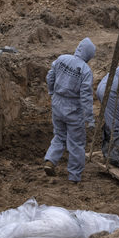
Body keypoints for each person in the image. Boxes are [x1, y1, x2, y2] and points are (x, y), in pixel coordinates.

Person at [43, 38, 96, 183]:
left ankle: (50, 160)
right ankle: (74, 176)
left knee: (59, 135)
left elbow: (50, 76)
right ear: (89, 55)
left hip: (57, 102)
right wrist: (90, 119)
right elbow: (86, 97)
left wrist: (51, 92)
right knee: (76, 142)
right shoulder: (85, 70)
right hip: (73, 108)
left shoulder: (62, 59)